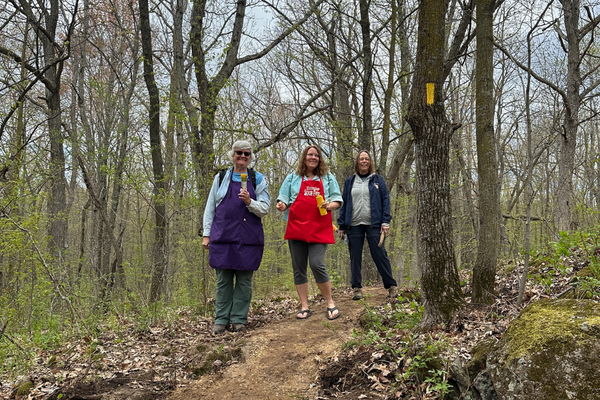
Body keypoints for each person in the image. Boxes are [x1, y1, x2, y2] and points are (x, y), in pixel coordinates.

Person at [202, 140, 271, 334]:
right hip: (223, 235)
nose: (242, 156)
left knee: (244, 281)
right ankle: (221, 320)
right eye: (239, 153)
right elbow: (210, 208)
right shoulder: (221, 177)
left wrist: (250, 202)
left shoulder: (258, 179)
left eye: (246, 154)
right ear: (233, 155)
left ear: (250, 158)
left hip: (249, 238)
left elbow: (265, 207)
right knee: (223, 280)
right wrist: (206, 235)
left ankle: (239, 319)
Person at [276, 145, 343, 320]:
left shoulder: (327, 178)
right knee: (298, 267)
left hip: (320, 227)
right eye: (310, 154)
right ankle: (304, 306)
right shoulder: (293, 178)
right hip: (296, 226)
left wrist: (329, 206)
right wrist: (282, 205)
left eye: (316, 155)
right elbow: (283, 198)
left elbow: (337, 199)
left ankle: (329, 302)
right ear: (304, 157)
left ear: (319, 159)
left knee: (316, 263)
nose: (313, 157)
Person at [337, 150, 398, 301]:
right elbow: (344, 204)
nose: (364, 161)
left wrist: (385, 221)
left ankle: (391, 286)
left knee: (379, 254)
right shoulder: (350, 181)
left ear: (370, 162)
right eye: (361, 159)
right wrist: (342, 225)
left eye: (366, 159)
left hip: (374, 224)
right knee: (355, 256)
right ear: (357, 162)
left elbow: (385, 201)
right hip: (354, 224)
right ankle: (357, 288)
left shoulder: (378, 180)